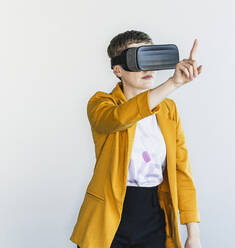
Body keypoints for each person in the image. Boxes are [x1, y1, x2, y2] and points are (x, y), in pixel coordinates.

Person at [70, 30, 203, 248]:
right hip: (109, 220)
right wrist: (174, 83)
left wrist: (193, 233)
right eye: (137, 60)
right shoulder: (101, 104)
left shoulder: (168, 109)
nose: (147, 68)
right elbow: (119, 119)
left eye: (151, 58)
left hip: (154, 217)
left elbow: (181, 171)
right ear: (118, 69)